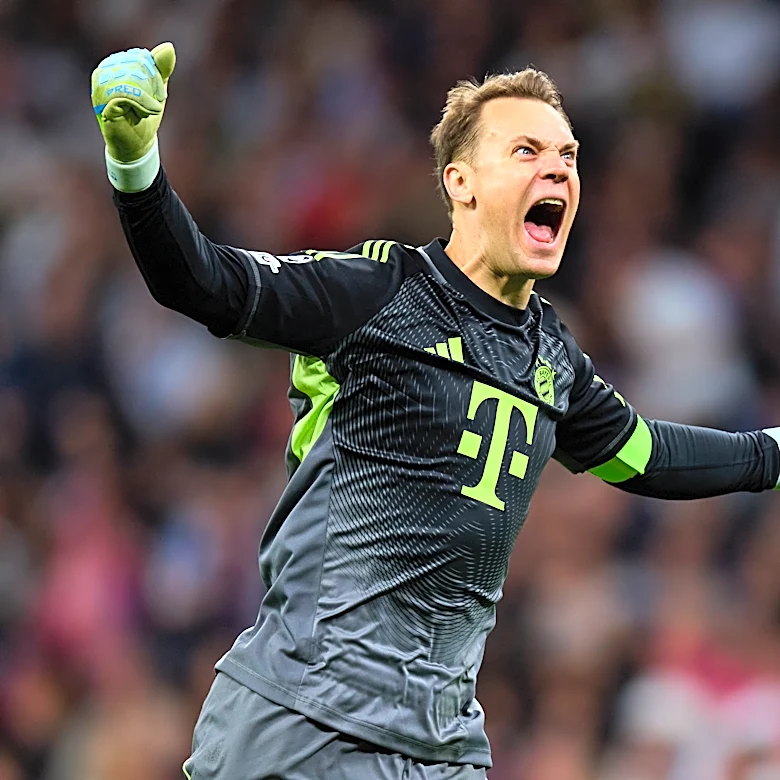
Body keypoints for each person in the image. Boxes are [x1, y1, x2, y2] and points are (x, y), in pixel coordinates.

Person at [91, 44, 780, 780]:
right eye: (526, 151)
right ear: (463, 183)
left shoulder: (553, 357)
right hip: (306, 721)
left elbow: (646, 456)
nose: (558, 170)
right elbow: (205, 281)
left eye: (568, 155)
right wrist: (136, 167)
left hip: (439, 747)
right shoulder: (376, 292)